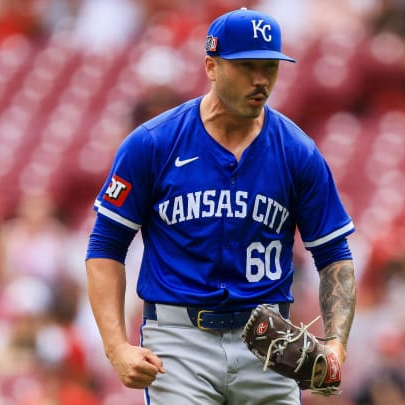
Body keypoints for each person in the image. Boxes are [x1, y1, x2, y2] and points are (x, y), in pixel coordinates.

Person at [84, 7, 356, 405]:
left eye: (270, 66)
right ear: (211, 66)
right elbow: (106, 246)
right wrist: (116, 347)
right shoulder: (154, 144)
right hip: (179, 343)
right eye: (246, 66)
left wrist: (335, 344)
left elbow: (334, 254)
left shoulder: (297, 151)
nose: (261, 79)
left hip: (269, 345)